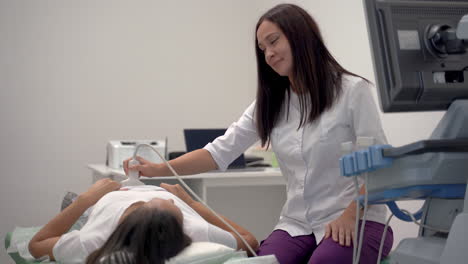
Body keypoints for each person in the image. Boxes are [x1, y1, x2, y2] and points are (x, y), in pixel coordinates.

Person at [124, 3, 393, 264]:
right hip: (298, 223)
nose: (268, 54)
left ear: (301, 36)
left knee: (325, 260)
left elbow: (380, 166)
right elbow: (217, 153)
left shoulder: (353, 91)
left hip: (357, 217)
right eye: (262, 49)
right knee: (263, 262)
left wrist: (350, 214)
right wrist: (157, 169)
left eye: (274, 41)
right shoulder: (270, 103)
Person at [28, 179, 258, 264]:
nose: (177, 204)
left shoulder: (94, 240)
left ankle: (76, 206)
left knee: (74, 206)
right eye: (177, 207)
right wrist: (192, 202)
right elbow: (250, 240)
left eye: (174, 204)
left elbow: (37, 243)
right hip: (113, 194)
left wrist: (87, 199)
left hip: (102, 201)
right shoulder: (194, 228)